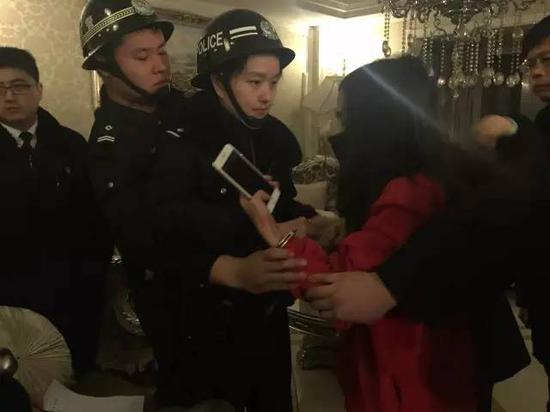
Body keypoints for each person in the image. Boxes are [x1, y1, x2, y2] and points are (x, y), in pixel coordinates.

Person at [80, 3, 310, 410]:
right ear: (104, 66)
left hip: (257, 300)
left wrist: (278, 200)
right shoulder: (109, 149)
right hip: (186, 312)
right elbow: (143, 241)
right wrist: (231, 270)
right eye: (142, 56)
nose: (160, 65)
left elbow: (241, 169)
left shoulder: (194, 106)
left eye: (162, 51)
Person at [242, 56, 481, 412]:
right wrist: (335, 231)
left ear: (374, 121)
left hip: (401, 372)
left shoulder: (406, 194)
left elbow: (337, 290)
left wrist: (275, 232)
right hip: (418, 364)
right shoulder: (428, 176)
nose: (333, 129)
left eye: (344, 116)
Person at [146, 9, 341, 412]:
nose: (267, 95)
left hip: (269, 311)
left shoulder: (276, 138)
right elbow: (164, 229)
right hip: (204, 320)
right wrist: (246, 236)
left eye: (274, 81)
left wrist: (311, 219)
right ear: (219, 82)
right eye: (254, 82)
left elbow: (281, 201)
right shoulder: (182, 138)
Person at [0, 46, 111, 375]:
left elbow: (96, 219)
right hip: (9, 292)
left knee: (76, 372)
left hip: (72, 285)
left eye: (19, 86)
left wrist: (94, 272)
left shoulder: (72, 144)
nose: (9, 96)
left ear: (39, 89)